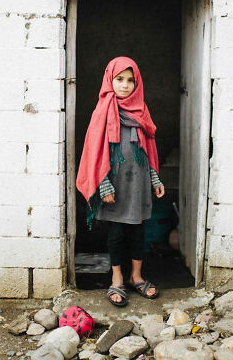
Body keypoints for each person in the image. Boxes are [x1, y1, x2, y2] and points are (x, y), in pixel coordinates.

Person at [76, 57, 165, 307]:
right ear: (110, 80)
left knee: (138, 231)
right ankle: (117, 279)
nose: (125, 85)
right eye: (120, 79)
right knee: (116, 234)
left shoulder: (141, 110)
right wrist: (103, 184)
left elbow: (148, 149)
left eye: (130, 80)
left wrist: (154, 178)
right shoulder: (103, 110)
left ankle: (136, 276)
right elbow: (94, 151)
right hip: (113, 184)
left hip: (137, 183)